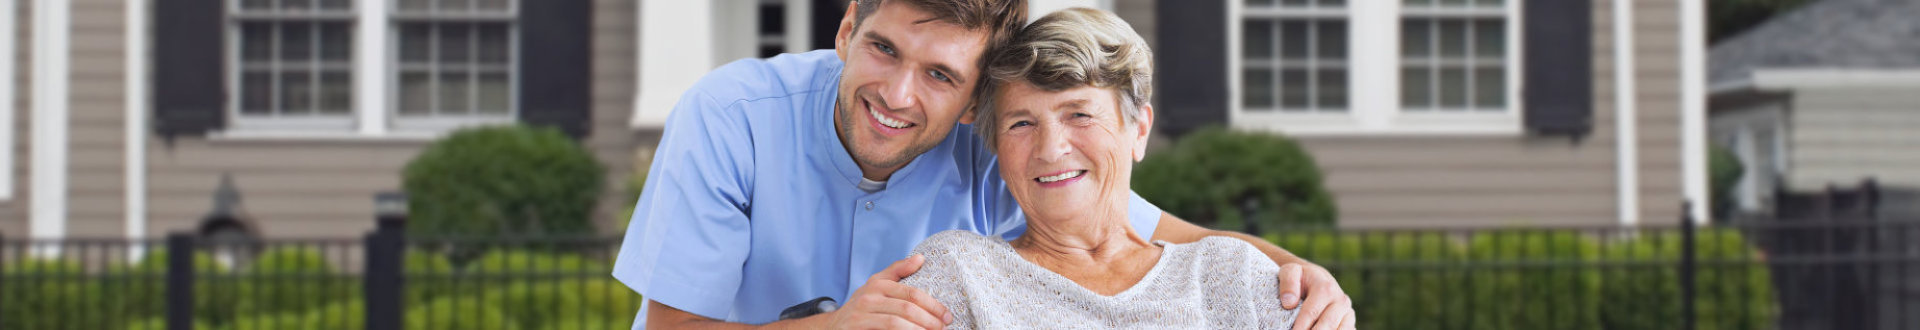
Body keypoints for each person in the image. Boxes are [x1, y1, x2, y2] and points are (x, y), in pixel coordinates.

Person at [612, 0, 1355, 328]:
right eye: (883, 49)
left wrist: (1303, 275)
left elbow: (1145, 233)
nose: (897, 95)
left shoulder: (1006, 150)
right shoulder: (731, 115)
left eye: (940, 74)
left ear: (973, 100)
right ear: (846, 29)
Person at [899, 8, 1307, 329]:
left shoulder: (1231, 274)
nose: (1052, 149)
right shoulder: (956, 276)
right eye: (1021, 123)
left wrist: (1311, 276)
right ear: (995, 147)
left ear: (1139, 130)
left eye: (1079, 114)